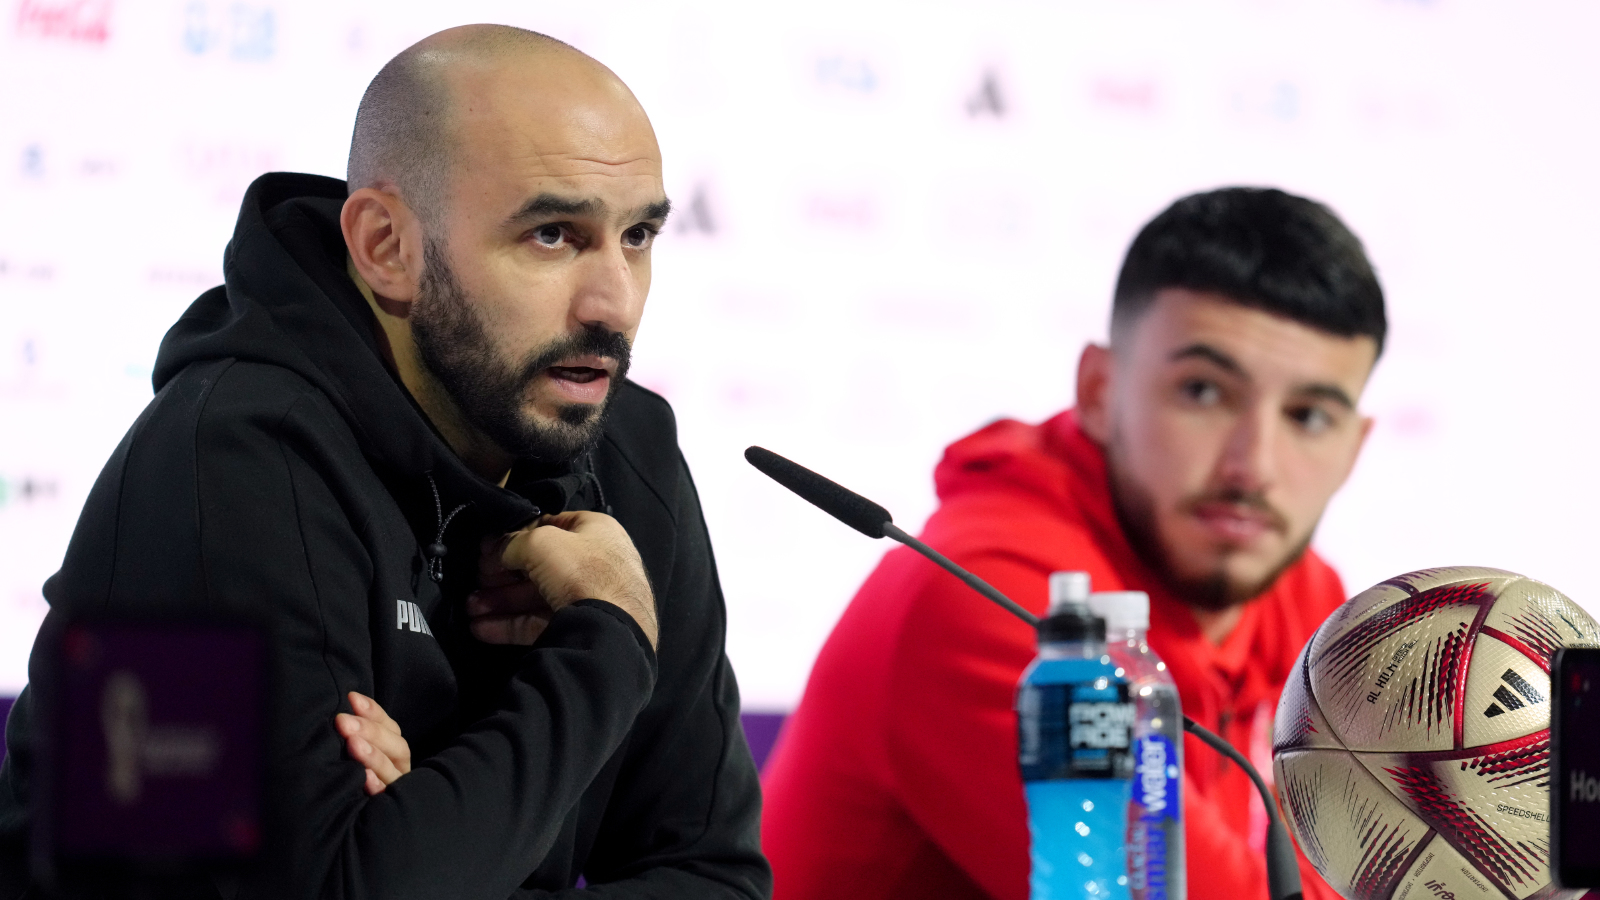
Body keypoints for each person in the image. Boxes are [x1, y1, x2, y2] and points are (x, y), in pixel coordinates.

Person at [0, 25, 770, 900]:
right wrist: (612, 642)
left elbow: (715, 878)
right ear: (384, 246)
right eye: (552, 235)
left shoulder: (629, 454)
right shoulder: (221, 467)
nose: (614, 304)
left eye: (636, 236)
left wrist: (431, 850)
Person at [761, 187, 1385, 900]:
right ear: (1097, 389)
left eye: (1309, 416)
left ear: (1355, 446)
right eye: (1204, 392)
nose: (1255, 467)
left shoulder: (1306, 595)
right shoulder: (993, 604)